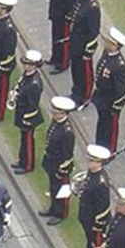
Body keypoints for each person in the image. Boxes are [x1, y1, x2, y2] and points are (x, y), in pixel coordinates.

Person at [38, 96, 76, 224]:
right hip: (51, 161)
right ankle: (53, 208)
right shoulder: (56, 122)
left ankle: (61, 213)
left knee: (61, 190)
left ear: (63, 113)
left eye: (56, 112)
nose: (53, 114)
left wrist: (63, 170)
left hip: (60, 165)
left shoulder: (67, 132)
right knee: (53, 187)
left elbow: (67, 154)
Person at [76, 145, 111, 248]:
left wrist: (98, 224)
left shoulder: (101, 183)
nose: (89, 163)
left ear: (99, 163)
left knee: (96, 245)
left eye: (92, 161)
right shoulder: (92, 174)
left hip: (94, 219)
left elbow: (103, 207)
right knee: (89, 241)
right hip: (86, 214)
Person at [67, 0, 102, 107]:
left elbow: (94, 31)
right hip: (75, 40)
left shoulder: (93, 7)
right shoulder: (80, 0)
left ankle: (84, 97)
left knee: (84, 73)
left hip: (83, 44)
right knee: (75, 69)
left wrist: (88, 52)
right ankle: (76, 92)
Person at [92, 27, 125, 152]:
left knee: (110, 127)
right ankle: (100, 144)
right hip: (102, 97)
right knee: (102, 124)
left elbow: (121, 88)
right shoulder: (107, 53)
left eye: (108, 42)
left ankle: (109, 150)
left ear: (115, 46)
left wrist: (116, 105)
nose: (105, 43)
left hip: (110, 100)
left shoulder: (119, 65)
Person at [11, 50, 45, 174]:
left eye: (27, 64)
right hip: (22, 112)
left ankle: (28, 165)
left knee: (28, 141)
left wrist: (17, 99)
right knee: (23, 139)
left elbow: (31, 105)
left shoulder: (34, 84)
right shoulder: (27, 75)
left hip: (28, 116)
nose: (24, 66)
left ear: (33, 65)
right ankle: (22, 160)